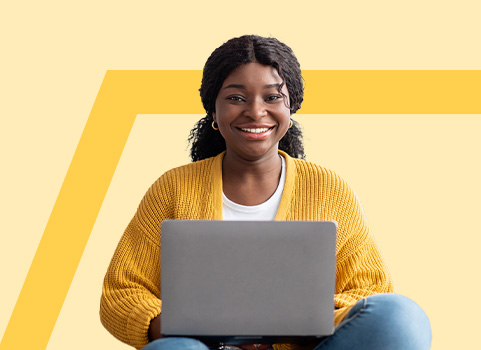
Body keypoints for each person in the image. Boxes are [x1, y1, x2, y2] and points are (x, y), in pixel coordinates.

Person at [100, 35, 432, 350]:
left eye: (272, 97)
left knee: (401, 317)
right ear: (213, 111)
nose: (256, 111)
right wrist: (184, 327)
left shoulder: (329, 189)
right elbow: (123, 290)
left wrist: (304, 317)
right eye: (236, 97)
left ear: (290, 110)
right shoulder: (173, 189)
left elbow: (370, 289)